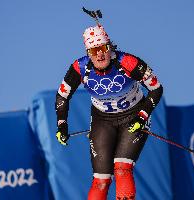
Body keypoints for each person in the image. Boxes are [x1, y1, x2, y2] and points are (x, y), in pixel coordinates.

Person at [55, 24, 163, 200]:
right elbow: (62, 96)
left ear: (109, 46)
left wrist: (143, 116)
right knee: (101, 180)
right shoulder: (80, 68)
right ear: (88, 53)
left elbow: (156, 89)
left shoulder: (128, 62)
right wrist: (62, 124)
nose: (99, 54)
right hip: (102, 120)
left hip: (133, 116)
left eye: (103, 47)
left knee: (122, 169)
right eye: (93, 50)